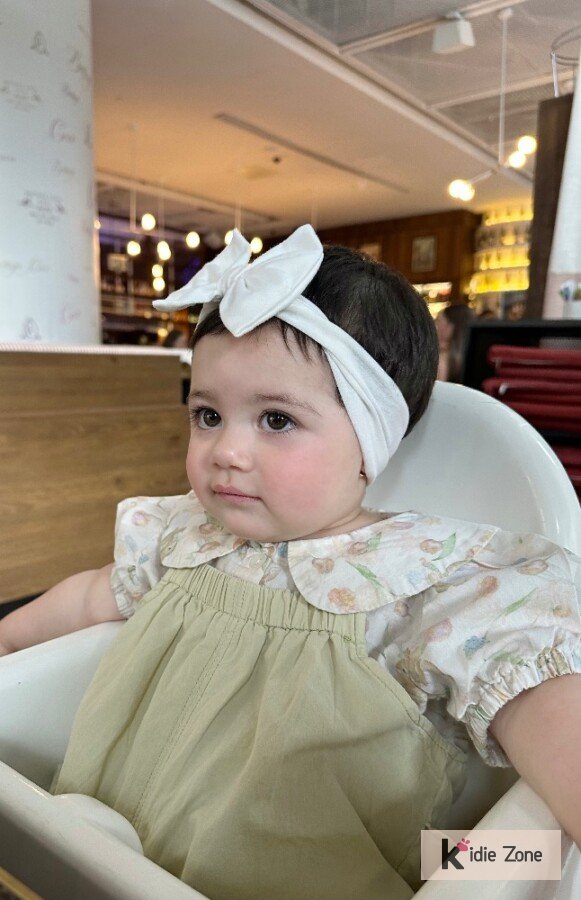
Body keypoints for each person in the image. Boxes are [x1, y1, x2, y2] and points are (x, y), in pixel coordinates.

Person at [0, 226, 579, 900]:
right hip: (98, 849)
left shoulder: (427, 580)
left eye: (275, 420)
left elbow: (544, 715)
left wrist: (475, 871)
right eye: (207, 415)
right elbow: (92, 596)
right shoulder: (185, 535)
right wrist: (8, 640)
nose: (224, 451)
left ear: (369, 444)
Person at [435, 302, 475, 382]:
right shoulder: (477, 355)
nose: (436, 326)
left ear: (450, 326)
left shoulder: (441, 360)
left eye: (439, 321)